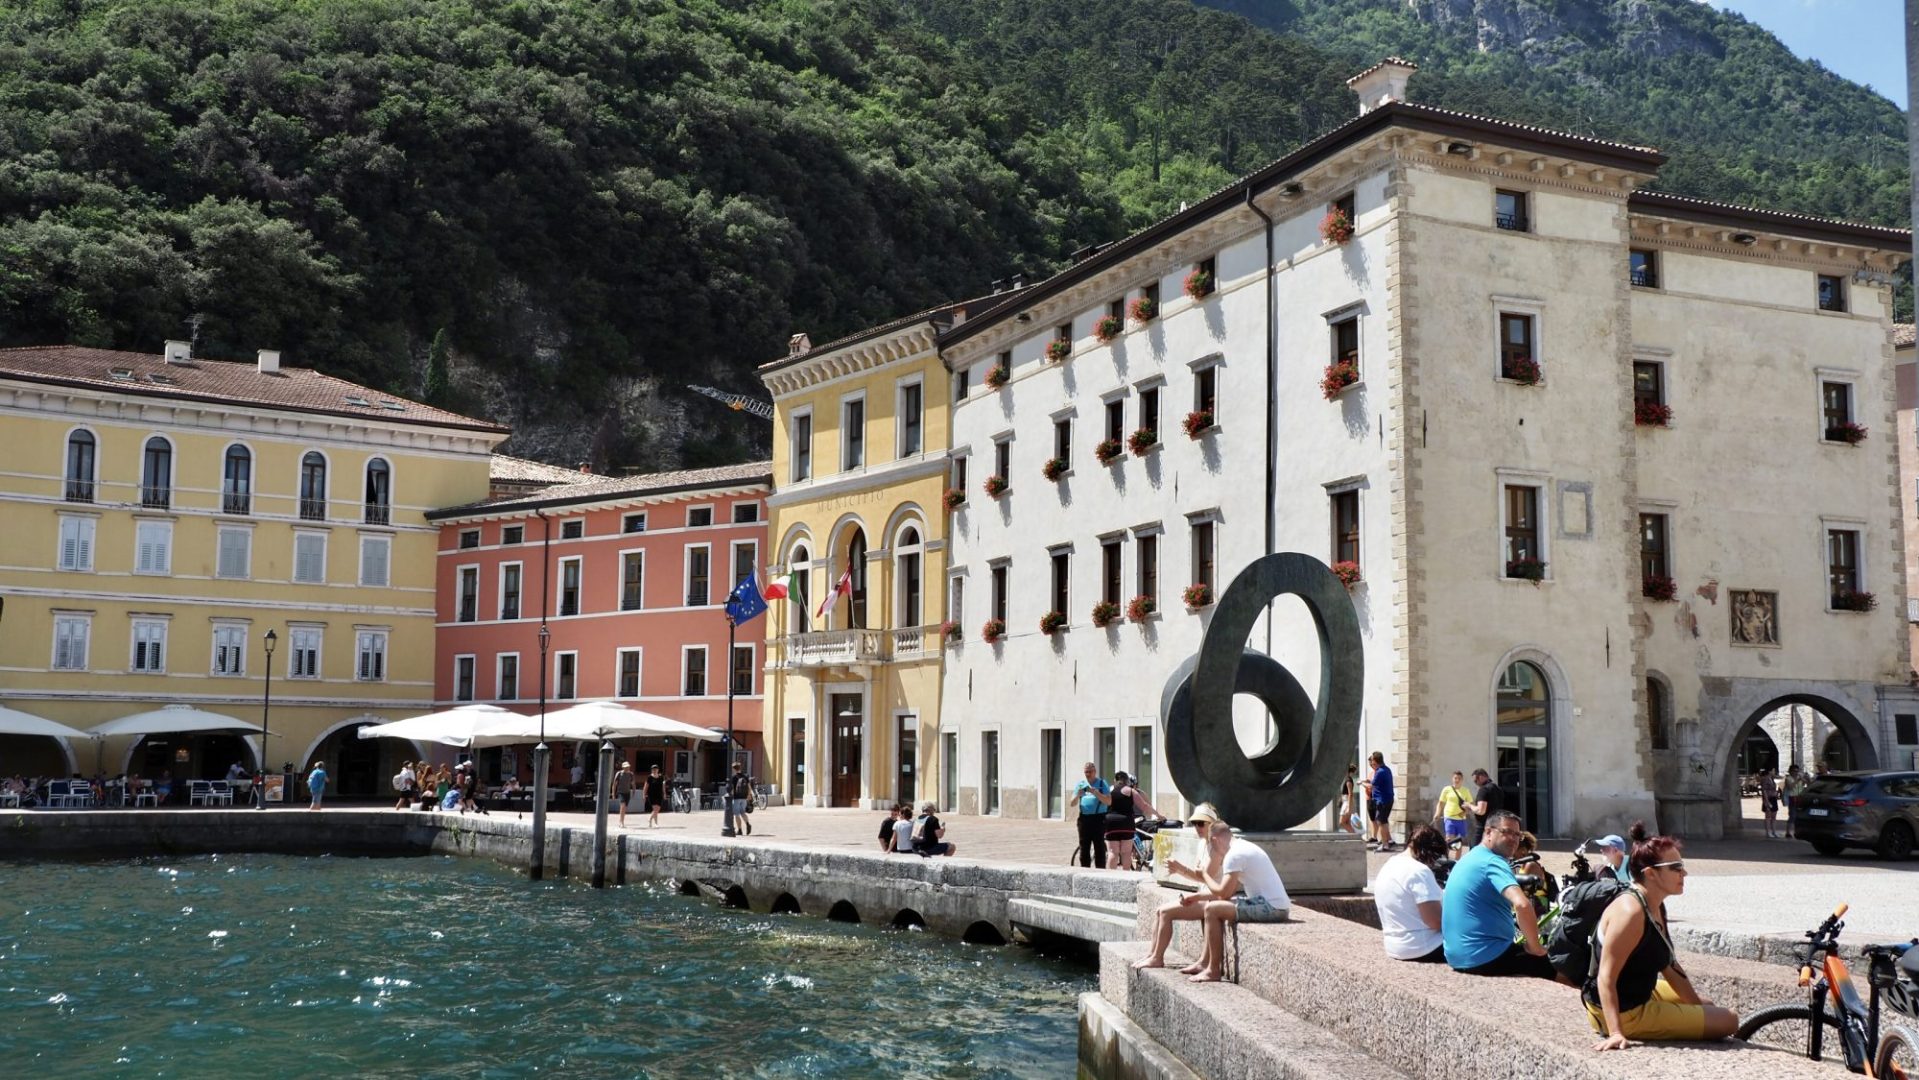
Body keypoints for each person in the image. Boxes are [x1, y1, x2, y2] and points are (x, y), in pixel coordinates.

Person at [1589, 822, 1739, 1051]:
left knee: (1708, 1006)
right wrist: (1616, 1032)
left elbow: (1669, 964)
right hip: (1625, 1012)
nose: (1684, 873)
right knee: (1730, 1020)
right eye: (1676, 867)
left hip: (1640, 993)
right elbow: (1605, 977)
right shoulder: (1630, 913)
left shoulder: (1655, 904)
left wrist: (1697, 1007)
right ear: (1651, 873)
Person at [1132, 819, 1290, 982]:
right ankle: (1204, 964)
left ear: (1215, 840)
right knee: (1213, 906)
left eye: (1212, 845)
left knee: (1212, 910)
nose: (1213, 851)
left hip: (1271, 908)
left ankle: (1213, 970)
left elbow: (1223, 894)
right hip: (1271, 904)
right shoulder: (1242, 847)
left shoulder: (1234, 855)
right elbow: (1227, 893)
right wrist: (1196, 897)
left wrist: (1205, 875)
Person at [1441, 810, 1554, 978]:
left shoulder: (1469, 857)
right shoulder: (1493, 861)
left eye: (1517, 835)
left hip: (1456, 956)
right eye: (1507, 832)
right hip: (1486, 956)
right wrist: (1536, 948)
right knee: (1561, 969)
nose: (1514, 839)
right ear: (1488, 832)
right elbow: (1522, 904)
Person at [1375, 825, 1448, 963]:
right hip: (1423, 946)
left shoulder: (1389, 865)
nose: (1433, 863)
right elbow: (1435, 921)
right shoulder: (1419, 871)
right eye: (1435, 857)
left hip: (1393, 946)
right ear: (1428, 852)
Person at [1104, 771, 1161, 871]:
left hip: (1111, 823)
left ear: (1115, 780)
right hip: (1126, 823)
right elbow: (1144, 806)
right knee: (1126, 853)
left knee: (1112, 852)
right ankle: (1126, 876)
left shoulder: (1108, 790)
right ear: (1127, 781)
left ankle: (1110, 876)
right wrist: (1158, 815)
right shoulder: (1130, 791)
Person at [1072, 762, 1112, 869]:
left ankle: (1100, 871)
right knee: (1084, 847)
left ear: (1095, 772)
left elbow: (1109, 801)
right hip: (1084, 819)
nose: (1088, 774)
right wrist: (1078, 795)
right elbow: (1072, 803)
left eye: (1090, 772)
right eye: (1086, 772)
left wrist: (1096, 793)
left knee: (1099, 847)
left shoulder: (1102, 783)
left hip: (1098, 819)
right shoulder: (1081, 784)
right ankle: (1084, 869)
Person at [1432, 770, 1473, 851]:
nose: (1457, 780)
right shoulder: (1446, 789)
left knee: (1459, 842)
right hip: (1449, 818)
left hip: (1461, 819)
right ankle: (1447, 856)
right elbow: (1440, 803)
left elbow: (1471, 805)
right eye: (1455, 778)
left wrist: (1465, 812)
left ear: (1462, 780)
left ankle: (1457, 858)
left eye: (1459, 778)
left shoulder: (1466, 791)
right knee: (1449, 839)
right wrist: (1437, 813)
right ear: (1452, 779)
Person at [1362, 751, 1395, 851]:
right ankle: (1387, 842)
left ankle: (1385, 845)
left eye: (1372, 760)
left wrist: (1361, 783)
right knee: (1383, 821)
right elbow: (1374, 782)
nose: (1371, 762)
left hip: (1382, 801)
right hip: (1387, 799)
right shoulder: (1386, 769)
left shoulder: (1380, 772)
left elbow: (1371, 786)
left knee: (1380, 822)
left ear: (1375, 761)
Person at [1467, 767, 1501, 847]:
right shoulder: (1498, 789)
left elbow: (1481, 811)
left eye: (1476, 780)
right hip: (1495, 825)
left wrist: (1469, 806)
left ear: (1481, 777)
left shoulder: (1484, 790)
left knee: (1474, 849)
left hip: (1483, 827)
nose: (1476, 783)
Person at [725, 763, 753, 836]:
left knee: (737, 814)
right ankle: (748, 824)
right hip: (744, 797)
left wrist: (731, 796)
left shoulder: (734, 777)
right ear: (740, 768)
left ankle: (739, 830)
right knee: (743, 812)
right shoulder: (745, 776)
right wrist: (748, 795)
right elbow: (749, 787)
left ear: (734, 769)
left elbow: (732, 789)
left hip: (736, 798)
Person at [1781, 764, 1806, 839]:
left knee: (1798, 815)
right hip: (1792, 797)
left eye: (1797, 771)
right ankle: (1788, 832)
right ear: (1790, 771)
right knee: (1792, 815)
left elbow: (1804, 784)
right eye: (1794, 771)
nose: (1796, 773)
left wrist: (1804, 779)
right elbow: (1790, 787)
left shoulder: (1799, 777)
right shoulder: (1788, 778)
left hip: (1799, 797)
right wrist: (1797, 780)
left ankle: (1796, 831)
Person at [1756, 767, 1780, 838]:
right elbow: (1764, 791)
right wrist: (1767, 801)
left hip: (1773, 798)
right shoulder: (1765, 779)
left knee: (1774, 816)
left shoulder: (1772, 779)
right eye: (1773, 770)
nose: (1774, 772)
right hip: (1768, 798)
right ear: (1770, 771)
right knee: (1768, 816)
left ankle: (1774, 831)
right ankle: (1768, 832)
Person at [612, 761, 636, 827]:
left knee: (624, 808)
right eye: (626, 767)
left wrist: (634, 791)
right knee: (622, 806)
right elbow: (614, 784)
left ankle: (621, 820)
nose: (627, 768)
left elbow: (633, 784)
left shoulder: (631, 774)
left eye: (628, 767)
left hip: (627, 792)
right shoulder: (619, 774)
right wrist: (613, 794)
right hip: (620, 792)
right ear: (623, 767)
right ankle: (621, 822)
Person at [1338, 764, 1359, 833]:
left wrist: (1349, 807)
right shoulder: (1347, 779)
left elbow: (1350, 794)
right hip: (1346, 801)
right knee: (1347, 822)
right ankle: (1354, 836)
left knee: (1342, 822)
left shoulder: (1348, 780)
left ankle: (1355, 835)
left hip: (1347, 802)